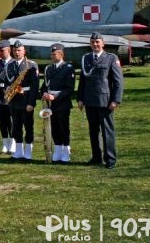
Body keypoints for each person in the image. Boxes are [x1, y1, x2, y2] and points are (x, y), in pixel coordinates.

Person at [77, 32, 123, 169]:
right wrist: (80, 98)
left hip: (105, 101)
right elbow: (83, 81)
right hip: (90, 100)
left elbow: (118, 82)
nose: (95, 44)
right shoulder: (86, 58)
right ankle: (96, 157)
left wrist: (115, 100)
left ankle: (110, 160)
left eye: (97, 42)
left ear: (103, 43)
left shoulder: (110, 58)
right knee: (93, 131)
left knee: (107, 131)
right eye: (92, 42)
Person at [40, 43, 75, 163]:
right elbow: (45, 85)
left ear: (61, 54)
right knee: (54, 127)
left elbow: (69, 89)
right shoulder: (49, 69)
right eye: (51, 54)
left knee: (63, 127)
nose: (52, 56)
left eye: (54, 54)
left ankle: (66, 150)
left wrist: (54, 96)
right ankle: (58, 149)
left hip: (62, 102)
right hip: (50, 103)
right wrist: (44, 93)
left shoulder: (68, 68)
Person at [5, 41, 39, 161]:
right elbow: (7, 81)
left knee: (28, 126)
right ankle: (18, 150)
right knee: (16, 126)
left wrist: (31, 102)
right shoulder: (10, 65)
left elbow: (35, 86)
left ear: (24, 51)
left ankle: (28, 150)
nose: (17, 52)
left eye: (19, 50)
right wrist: (8, 89)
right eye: (15, 50)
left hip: (26, 99)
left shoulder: (31, 64)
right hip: (14, 100)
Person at [0, 40, 15, 154]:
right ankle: (4, 143)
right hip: (0, 96)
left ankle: (12, 143)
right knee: (2, 121)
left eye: (2, 51)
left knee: (11, 121)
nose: (1, 53)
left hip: (11, 97)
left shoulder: (14, 63)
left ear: (9, 50)